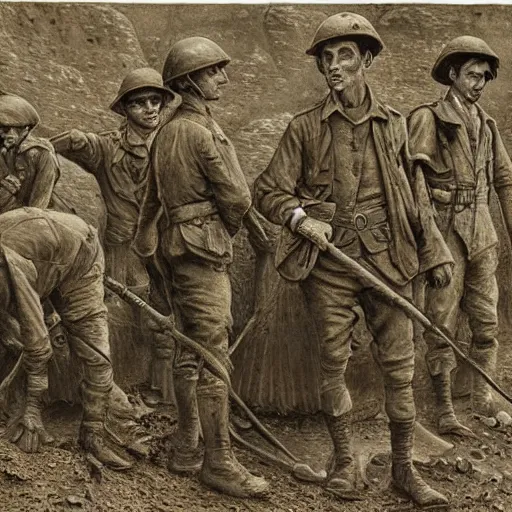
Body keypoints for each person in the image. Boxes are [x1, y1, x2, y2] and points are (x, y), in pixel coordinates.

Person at [254, 13, 453, 507]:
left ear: (366, 59)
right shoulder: (303, 128)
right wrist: (300, 218)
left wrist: (433, 253)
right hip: (330, 264)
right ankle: (344, 462)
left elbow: (415, 196)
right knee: (332, 364)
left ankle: (404, 471)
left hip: (391, 259)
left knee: (401, 368)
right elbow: (268, 191)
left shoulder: (395, 125)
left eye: (345, 55)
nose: (334, 66)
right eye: (327, 57)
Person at [133, 36, 269, 498]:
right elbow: (237, 196)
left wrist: (154, 248)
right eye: (214, 72)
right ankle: (219, 462)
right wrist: (228, 230)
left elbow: (149, 204)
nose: (223, 78)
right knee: (213, 352)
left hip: (174, 250)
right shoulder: (202, 131)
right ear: (190, 79)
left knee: (189, 349)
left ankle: (187, 448)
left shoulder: (165, 133)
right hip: (204, 249)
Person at [51, 68, 176, 404]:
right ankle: (109, 391)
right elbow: (73, 143)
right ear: (124, 110)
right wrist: (36, 150)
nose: (150, 108)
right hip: (122, 249)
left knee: (167, 315)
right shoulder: (106, 147)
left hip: (166, 246)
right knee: (112, 315)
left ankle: (164, 392)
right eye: (139, 103)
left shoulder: (173, 144)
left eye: (155, 101)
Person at [408, 36, 512, 435]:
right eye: (472, 74)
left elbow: (503, 180)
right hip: (445, 229)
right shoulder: (427, 118)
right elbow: (414, 181)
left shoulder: (487, 123)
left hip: (482, 229)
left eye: (485, 77)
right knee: (441, 322)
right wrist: (431, 245)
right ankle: (444, 410)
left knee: (486, 322)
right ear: (452, 75)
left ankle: (484, 400)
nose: (480, 83)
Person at [0, 207, 132, 470]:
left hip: (80, 256)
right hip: (44, 253)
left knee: (96, 356)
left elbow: (37, 344)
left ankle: (93, 434)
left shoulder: (11, 268)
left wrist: (32, 411)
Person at [0, 93, 59, 213]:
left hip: (29, 218)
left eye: (6, 129)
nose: (2, 134)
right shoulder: (5, 150)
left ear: (25, 129)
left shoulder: (42, 154)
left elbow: (38, 204)